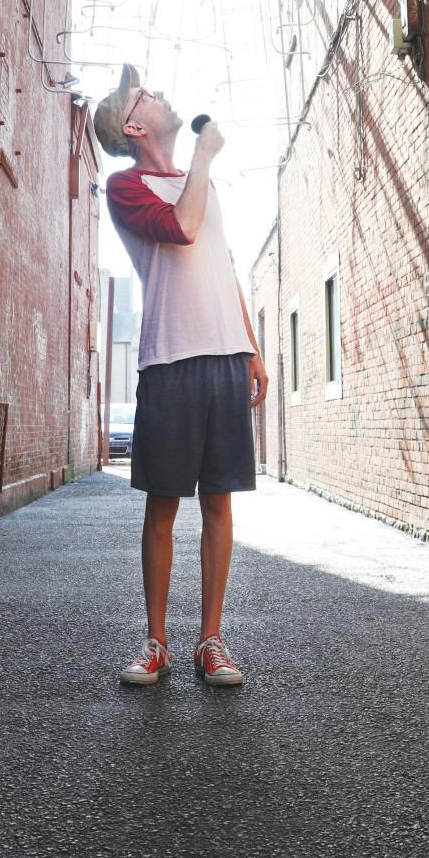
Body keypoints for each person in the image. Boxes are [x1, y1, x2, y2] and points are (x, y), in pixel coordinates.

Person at [91, 65, 268, 688]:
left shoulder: (201, 182)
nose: (162, 94)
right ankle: (156, 640)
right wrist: (205, 154)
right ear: (135, 125)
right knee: (163, 506)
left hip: (224, 357)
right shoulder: (125, 187)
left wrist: (251, 346)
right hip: (168, 360)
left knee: (218, 502)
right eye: (148, 95)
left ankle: (210, 640)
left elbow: (221, 262)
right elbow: (183, 228)